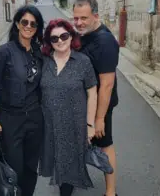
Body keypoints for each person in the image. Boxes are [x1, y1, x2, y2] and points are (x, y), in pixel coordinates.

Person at [0, 5, 45, 196]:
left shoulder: (39, 54)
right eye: (24, 22)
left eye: (33, 24)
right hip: (10, 120)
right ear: (18, 24)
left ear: (37, 28)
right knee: (12, 170)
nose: (28, 26)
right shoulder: (3, 52)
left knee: (30, 168)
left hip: (35, 120)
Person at [39, 19, 98, 196]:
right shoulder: (44, 61)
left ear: (71, 36)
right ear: (49, 42)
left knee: (69, 166)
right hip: (49, 124)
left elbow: (92, 93)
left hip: (74, 123)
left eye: (64, 36)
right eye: (54, 38)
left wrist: (90, 125)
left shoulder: (83, 62)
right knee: (57, 162)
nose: (60, 41)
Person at [73, 0, 120, 196]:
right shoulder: (83, 35)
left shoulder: (105, 41)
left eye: (83, 18)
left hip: (100, 104)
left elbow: (107, 84)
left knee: (104, 145)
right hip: (81, 102)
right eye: (75, 18)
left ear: (95, 16)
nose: (79, 23)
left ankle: (110, 193)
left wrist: (99, 118)